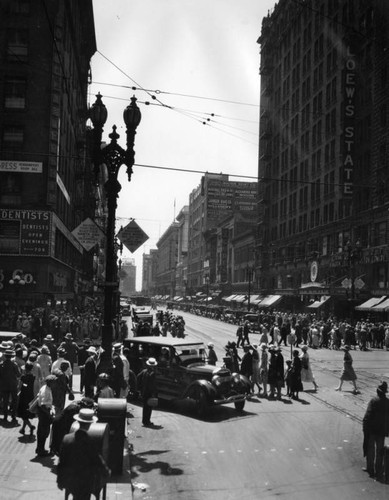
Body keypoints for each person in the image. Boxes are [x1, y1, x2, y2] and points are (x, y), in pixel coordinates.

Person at [57, 408, 110, 499]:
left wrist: (60, 480)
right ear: (89, 424)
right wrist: (106, 471)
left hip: (71, 480)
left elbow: (62, 461)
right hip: (85, 481)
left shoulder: (67, 438)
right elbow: (97, 460)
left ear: (78, 421)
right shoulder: (89, 441)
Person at [362, 381, 389, 480]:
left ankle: (370, 469)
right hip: (382, 431)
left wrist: (365, 427)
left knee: (370, 450)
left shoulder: (373, 401)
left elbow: (368, 416)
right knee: (380, 451)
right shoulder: (388, 402)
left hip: (372, 430)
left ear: (378, 391)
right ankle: (378, 470)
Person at [36, 374, 57, 457]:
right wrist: (50, 416)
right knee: (43, 432)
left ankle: (40, 449)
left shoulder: (47, 388)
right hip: (44, 414)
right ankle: (40, 450)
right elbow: (43, 405)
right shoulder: (46, 391)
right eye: (54, 382)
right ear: (50, 383)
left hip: (44, 413)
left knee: (43, 432)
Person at [0, 348, 21, 423]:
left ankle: (5, 416)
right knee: (14, 401)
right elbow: (18, 374)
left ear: (5, 356)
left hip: (4, 385)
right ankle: (13, 415)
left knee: (5, 401)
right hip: (13, 385)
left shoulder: (1, 364)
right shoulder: (14, 364)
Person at [137, 357, 158, 427]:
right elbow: (153, 385)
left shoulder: (144, 371)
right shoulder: (152, 373)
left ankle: (145, 421)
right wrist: (153, 393)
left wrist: (140, 388)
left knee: (145, 407)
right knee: (149, 408)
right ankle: (147, 421)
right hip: (149, 392)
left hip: (144, 392)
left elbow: (138, 377)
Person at [17, 361, 36, 435]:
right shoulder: (33, 377)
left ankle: (31, 426)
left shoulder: (23, 377)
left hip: (23, 396)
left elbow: (19, 386)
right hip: (30, 396)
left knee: (23, 414)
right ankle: (23, 429)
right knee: (26, 413)